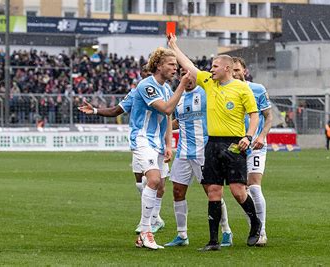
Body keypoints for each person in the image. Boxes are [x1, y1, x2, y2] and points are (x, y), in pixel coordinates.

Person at [168, 34, 261, 252]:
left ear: (227, 69)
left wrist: (248, 136)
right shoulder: (209, 83)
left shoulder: (241, 88)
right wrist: (174, 46)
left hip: (234, 144)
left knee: (238, 192)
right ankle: (213, 241)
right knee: (213, 191)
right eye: (211, 66)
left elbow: (254, 115)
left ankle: (255, 223)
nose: (211, 69)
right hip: (212, 144)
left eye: (215, 66)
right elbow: (188, 65)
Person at [77, 76, 169, 234]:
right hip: (143, 142)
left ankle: (154, 219)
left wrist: (168, 144)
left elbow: (170, 114)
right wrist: (95, 110)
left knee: (158, 183)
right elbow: (115, 111)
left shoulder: (167, 90)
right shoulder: (137, 91)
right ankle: (148, 222)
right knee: (142, 181)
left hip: (159, 143)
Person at [164, 68, 233, 248]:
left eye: (191, 74)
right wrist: (164, 130)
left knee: (212, 192)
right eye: (184, 75)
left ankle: (226, 231)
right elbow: (179, 120)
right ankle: (182, 235)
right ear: (180, 77)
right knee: (178, 192)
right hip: (183, 153)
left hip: (204, 152)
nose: (188, 78)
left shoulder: (205, 93)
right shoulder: (176, 97)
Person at [130, 47, 189, 249]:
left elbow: (167, 118)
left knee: (161, 186)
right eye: (171, 64)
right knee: (153, 179)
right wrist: (182, 85)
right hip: (142, 138)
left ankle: (151, 224)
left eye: (176, 65)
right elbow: (166, 108)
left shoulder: (165, 89)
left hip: (156, 142)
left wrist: (168, 145)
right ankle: (146, 231)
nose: (175, 68)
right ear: (158, 66)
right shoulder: (147, 86)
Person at [232, 57, 273, 246]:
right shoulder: (225, 91)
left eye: (237, 70)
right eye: (231, 70)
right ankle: (254, 228)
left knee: (254, 186)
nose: (235, 74)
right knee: (242, 191)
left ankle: (262, 231)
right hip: (236, 148)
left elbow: (268, 117)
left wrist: (262, 136)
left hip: (256, 146)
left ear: (244, 70)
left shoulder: (257, 89)